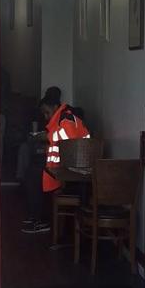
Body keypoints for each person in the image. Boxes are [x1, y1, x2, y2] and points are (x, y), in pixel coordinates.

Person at [21, 92, 90, 234]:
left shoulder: (67, 118)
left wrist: (45, 136)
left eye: (47, 112)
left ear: (55, 107)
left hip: (74, 169)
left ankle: (41, 220)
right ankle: (36, 217)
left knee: (35, 176)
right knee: (32, 172)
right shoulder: (61, 119)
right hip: (65, 165)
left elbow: (66, 138)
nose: (46, 117)